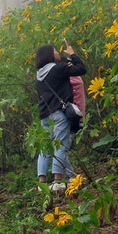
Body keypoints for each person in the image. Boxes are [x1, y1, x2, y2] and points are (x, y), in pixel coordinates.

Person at [35, 40, 88, 191]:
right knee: (61, 144)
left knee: (46, 148)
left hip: (45, 116)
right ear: (49, 55)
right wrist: (72, 54)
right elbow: (81, 69)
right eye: (55, 51)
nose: (58, 53)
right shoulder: (58, 69)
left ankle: (42, 182)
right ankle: (58, 180)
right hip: (59, 113)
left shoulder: (38, 76)